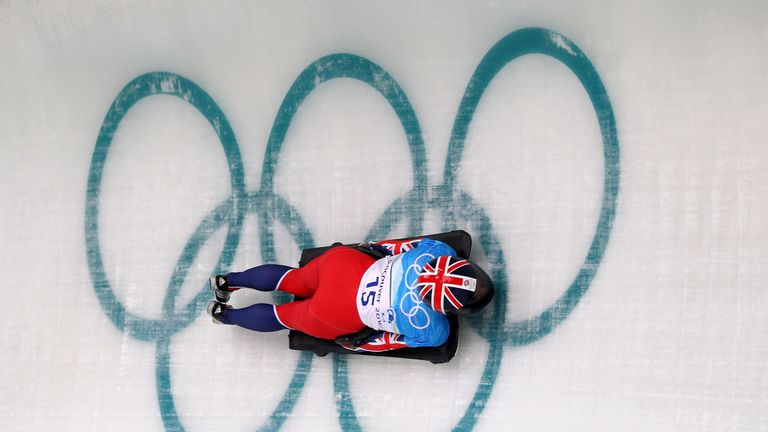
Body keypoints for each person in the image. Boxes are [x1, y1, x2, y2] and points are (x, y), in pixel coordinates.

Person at [207, 237, 494, 352]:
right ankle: (225, 315)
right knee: (285, 317)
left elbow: (392, 246)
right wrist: (355, 343)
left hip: (344, 266)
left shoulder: (438, 252)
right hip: (340, 311)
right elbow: (388, 342)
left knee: (293, 278)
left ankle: (228, 280)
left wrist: (365, 248)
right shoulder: (432, 328)